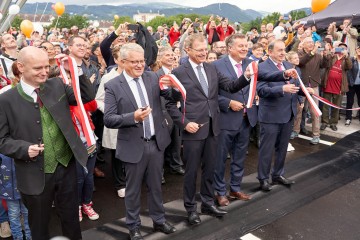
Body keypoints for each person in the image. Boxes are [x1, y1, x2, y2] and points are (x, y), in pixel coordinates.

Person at [167, 34, 293, 225]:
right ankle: (191, 209)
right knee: (192, 172)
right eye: (199, 50)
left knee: (210, 169)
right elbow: (169, 104)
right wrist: (184, 123)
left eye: (205, 50)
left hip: (213, 127)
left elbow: (231, 86)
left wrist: (247, 76)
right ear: (188, 50)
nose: (203, 53)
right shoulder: (178, 72)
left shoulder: (210, 68)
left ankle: (208, 203)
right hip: (192, 130)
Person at [0, 46, 95, 240]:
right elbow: (2, 140)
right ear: (21, 67)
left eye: (46, 66)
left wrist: (75, 70)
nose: (44, 72)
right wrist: (23, 149)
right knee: (39, 226)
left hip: (66, 166)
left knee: (71, 221)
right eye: (37, 68)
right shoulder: (6, 100)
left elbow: (86, 96)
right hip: (34, 173)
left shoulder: (57, 85)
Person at [103, 43, 181, 240]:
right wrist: (133, 118)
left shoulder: (153, 77)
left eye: (142, 61)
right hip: (132, 146)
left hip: (156, 143)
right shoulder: (112, 85)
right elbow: (109, 119)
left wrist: (175, 89)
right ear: (121, 62)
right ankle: (134, 226)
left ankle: (159, 220)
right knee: (133, 190)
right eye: (135, 62)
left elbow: (169, 98)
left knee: (156, 186)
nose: (140, 65)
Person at [257, 40, 314, 192]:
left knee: (282, 148)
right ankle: (263, 178)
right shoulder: (262, 67)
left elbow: (296, 87)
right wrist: (282, 88)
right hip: (270, 115)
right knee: (266, 149)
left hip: (288, 114)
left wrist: (306, 91)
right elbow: (261, 91)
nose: (283, 53)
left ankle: (278, 174)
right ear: (270, 52)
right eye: (279, 50)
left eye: (284, 50)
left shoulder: (290, 66)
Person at [212, 34, 256, 207]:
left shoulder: (251, 63)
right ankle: (220, 192)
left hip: (246, 118)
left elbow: (256, 85)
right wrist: (228, 102)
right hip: (226, 119)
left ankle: (235, 188)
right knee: (220, 158)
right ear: (230, 48)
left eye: (246, 45)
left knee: (239, 157)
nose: (245, 49)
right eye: (241, 46)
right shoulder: (216, 66)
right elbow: (211, 94)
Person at [95, 45, 126, 198]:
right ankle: (120, 183)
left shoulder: (137, 75)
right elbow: (98, 100)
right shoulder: (108, 78)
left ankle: (131, 180)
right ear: (116, 59)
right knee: (117, 153)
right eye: (123, 57)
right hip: (116, 121)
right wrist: (110, 111)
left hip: (135, 120)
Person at [155, 47, 185, 175]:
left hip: (178, 110)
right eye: (168, 55)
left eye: (173, 54)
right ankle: (159, 172)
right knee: (162, 143)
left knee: (177, 140)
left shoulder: (178, 72)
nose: (172, 57)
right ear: (160, 59)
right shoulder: (156, 74)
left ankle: (176, 165)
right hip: (163, 112)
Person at [297, 37, 330, 144]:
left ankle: (316, 135)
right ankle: (295, 130)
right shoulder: (300, 53)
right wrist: (312, 52)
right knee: (299, 109)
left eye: (312, 42)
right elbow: (301, 62)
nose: (311, 44)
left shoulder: (317, 55)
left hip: (314, 85)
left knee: (314, 111)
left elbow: (324, 65)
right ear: (303, 44)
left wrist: (325, 55)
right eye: (309, 42)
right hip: (302, 85)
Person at [321, 42, 352, 131]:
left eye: (344, 48)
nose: (342, 49)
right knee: (326, 106)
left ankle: (333, 123)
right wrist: (331, 52)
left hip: (339, 87)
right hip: (328, 85)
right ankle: (324, 122)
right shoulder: (333, 56)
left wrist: (346, 56)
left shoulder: (346, 59)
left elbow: (349, 67)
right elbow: (325, 62)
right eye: (340, 48)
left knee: (336, 106)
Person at [345, 45, 360, 126]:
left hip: (359, 85)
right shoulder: (352, 59)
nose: (359, 51)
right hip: (352, 84)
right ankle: (348, 118)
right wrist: (350, 82)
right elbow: (348, 71)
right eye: (358, 49)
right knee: (349, 101)